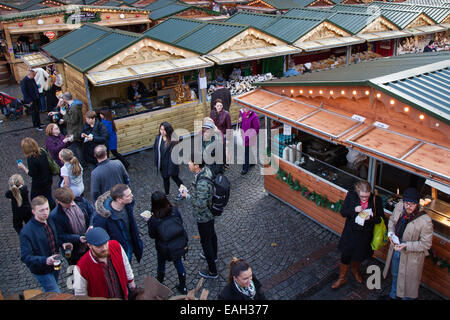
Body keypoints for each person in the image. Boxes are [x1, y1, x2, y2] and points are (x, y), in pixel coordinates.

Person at [381, 188, 433, 300]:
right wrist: (391, 232)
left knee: (408, 283)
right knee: (395, 274)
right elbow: (392, 221)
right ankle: (393, 296)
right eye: (406, 203)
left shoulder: (425, 221)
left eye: (411, 204)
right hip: (396, 250)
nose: (408, 206)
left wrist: (406, 245)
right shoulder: (400, 206)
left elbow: (426, 244)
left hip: (411, 258)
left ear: (417, 204)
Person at [331, 180, 382, 289]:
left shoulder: (376, 200)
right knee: (345, 255)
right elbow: (343, 212)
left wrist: (371, 218)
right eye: (362, 196)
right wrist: (354, 209)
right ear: (358, 192)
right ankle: (342, 277)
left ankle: (355, 271)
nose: (364, 199)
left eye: (367, 196)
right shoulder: (351, 196)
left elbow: (380, 219)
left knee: (359, 256)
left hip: (364, 236)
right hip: (350, 233)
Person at [20, 196, 72, 293]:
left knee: (49, 291)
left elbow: (54, 238)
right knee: (55, 293)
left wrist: (62, 244)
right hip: (41, 270)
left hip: (55, 264)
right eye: (41, 210)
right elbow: (25, 257)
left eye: (47, 208)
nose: (45, 212)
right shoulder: (27, 231)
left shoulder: (50, 220)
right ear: (33, 211)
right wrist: (45, 260)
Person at [180, 152, 218, 279]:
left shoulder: (202, 182)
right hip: (209, 214)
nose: (188, 164)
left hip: (204, 216)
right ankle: (214, 256)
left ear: (196, 165)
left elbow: (200, 204)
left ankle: (212, 270)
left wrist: (187, 196)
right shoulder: (205, 170)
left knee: (206, 241)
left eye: (190, 162)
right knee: (212, 235)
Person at [73, 227, 136, 299]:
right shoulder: (81, 267)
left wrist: (131, 282)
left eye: (105, 243)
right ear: (89, 246)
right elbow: (80, 295)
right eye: (99, 246)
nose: (104, 248)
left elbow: (126, 265)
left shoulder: (116, 246)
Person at [147, 191, 188, 294]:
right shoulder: (174, 210)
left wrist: (148, 221)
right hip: (177, 244)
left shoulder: (154, 219)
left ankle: (159, 283)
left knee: (161, 264)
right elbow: (180, 222)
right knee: (178, 263)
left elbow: (152, 235)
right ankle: (183, 287)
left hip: (163, 247)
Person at [94, 184, 143, 263]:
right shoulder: (103, 218)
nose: (132, 196)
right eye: (128, 195)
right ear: (119, 200)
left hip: (129, 246)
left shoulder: (127, 206)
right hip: (118, 254)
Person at [51, 187, 95, 265]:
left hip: (90, 245)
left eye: (71, 201)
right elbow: (59, 235)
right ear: (58, 201)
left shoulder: (81, 201)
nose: (71, 204)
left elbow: (92, 212)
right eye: (67, 203)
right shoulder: (55, 216)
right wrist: (77, 238)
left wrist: (91, 225)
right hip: (75, 251)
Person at [18, 137, 55, 210]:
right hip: (48, 179)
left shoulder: (31, 158)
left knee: (34, 199)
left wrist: (23, 167)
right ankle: (52, 209)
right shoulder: (42, 151)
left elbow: (32, 174)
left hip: (39, 184)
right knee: (48, 196)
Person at [153, 122, 184, 200]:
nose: (162, 131)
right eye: (161, 129)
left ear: (168, 130)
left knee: (176, 179)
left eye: (164, 130)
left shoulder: (173, 140)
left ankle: (183, 192)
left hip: (171, 165)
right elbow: (155, 149)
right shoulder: (158, 138)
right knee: (165, 179)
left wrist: (172, 168)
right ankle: (166, 194)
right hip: (163, 165)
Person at [60, 92, 84, 163]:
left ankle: (82, 163)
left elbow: (73, 120)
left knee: (77, 148)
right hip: (74, 130)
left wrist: (64, 115)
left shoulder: (74, 108)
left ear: (64, 99)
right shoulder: (72, 106)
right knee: (77, 147)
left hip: (75, 131)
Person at [210, 99, 231, 169]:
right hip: (215, 134)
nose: (219, 107)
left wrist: (228, 139)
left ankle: (225, 163)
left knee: (223, 150)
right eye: (218, 106)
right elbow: (211, 124)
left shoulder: (226, 114)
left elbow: (229, 127)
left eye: (221, 105)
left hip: (223, 134)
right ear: (215, 106)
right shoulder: (212, 113)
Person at [239, 107, 260, 175]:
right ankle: (253, 161)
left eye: (246, 107)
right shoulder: (241, 112)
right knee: (248, 150)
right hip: (243, 135)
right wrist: (239, 120)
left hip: (249, 137)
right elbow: (241, 123)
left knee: (246, 152)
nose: (245, 109)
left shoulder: (254, 116)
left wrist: (248, 137)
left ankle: (245, 168)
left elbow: (256, 129)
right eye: (244, 107)